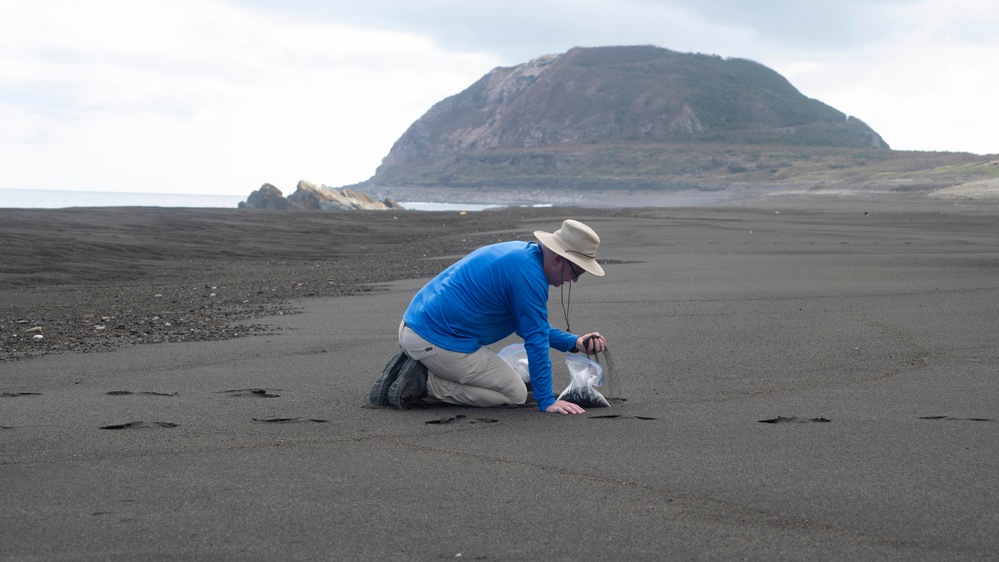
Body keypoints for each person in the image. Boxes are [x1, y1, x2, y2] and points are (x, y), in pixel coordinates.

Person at [369, 219, 608, 414]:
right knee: (514, 394)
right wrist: (547, 401)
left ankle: (424, 367)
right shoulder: (528, 276)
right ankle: (425, 383)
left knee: (512, 380)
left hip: (415, 326)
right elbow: (535, 339)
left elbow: (529, 327)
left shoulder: (522, 255)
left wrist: (573, 342)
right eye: (576, 270)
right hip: (436, 341)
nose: (574, 279)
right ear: (557, 259)